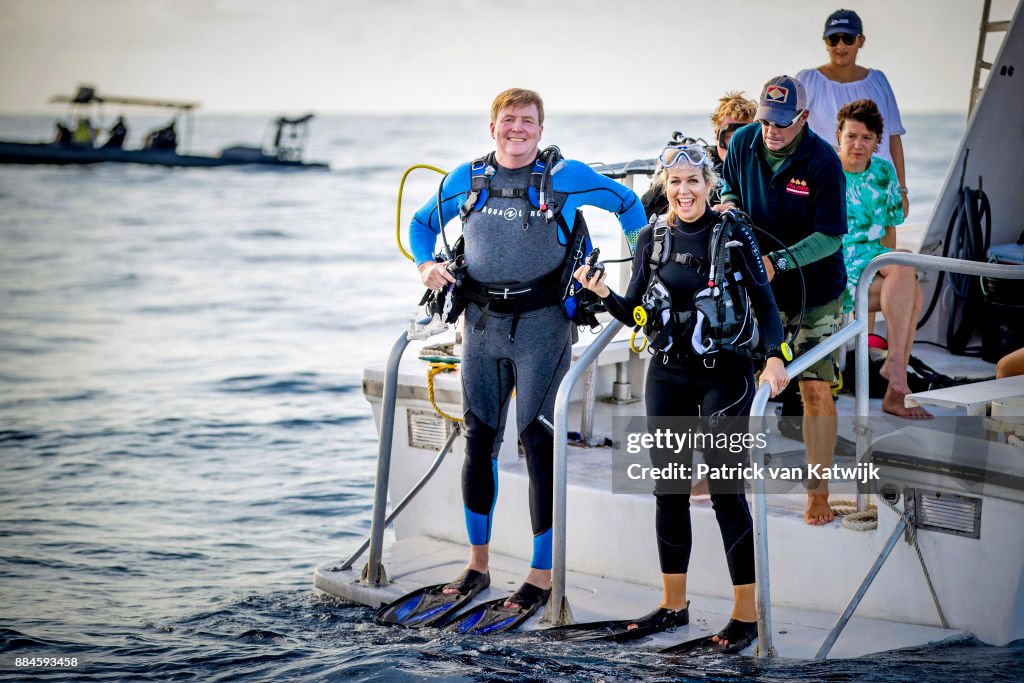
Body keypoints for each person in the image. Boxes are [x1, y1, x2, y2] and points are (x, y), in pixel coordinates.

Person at [406, 88, 648, 625]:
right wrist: (426, 266)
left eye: (528, 121)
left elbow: (629, 204)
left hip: (543, 326)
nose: (518, 129)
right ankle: (477, 566)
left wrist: (646, 268)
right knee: (478, 439)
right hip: (482, 326)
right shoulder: (465, 180)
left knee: (538, 441)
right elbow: (420, 226)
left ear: (541, 130)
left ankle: (540, 576)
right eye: (508, 120)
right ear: (492, 127)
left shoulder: (566, 176)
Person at [574, 144, 788, 652]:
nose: (684, 191)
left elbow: (766, 301)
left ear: (710, 185)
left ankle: (744, 616)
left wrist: (776, 356)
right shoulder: (652, 236)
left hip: (725, 375)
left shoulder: (735, 234)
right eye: (675, 182)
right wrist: (602, 293)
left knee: (725, 493)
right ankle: (674, 606)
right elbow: (636, 314)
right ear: (664, 186)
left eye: (694, 180)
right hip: (667, 374)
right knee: (668, 492)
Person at [716, 75, 848, 526]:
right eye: (765, 120)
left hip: (815, 291)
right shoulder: (744, 141)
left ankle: (819, 492)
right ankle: (719, 477)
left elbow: (831, 236)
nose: (771, 131)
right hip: (756, 286)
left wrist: (781, 261)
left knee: (813, 388)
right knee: (731, 382)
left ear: (805, 118)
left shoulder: (824, 162)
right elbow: (729, 188)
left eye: (782, 124)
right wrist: (730, 206)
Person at [836, 99, 930, 419]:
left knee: (904, 266)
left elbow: (888, 232)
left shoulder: (883, 171)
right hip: (837, 262)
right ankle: (896, 383)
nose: (858, 144)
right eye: (851, 136)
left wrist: (891, 273)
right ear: (839, 136)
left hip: (872, 258)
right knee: (914, 296)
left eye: (867, 137)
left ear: (878, 141)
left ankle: (895, 373)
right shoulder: (826, 171)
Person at [797, 8, 909, 217]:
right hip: (828, 183)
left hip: (877, 185)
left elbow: (893, 136)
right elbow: (793, 133)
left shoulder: (878, 80)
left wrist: (901, 189)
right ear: (825, 42)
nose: (840, 45)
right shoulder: (807, 80)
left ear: (861, 40)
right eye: (833, 39)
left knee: (880, 244)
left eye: (848, 38)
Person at [641, 91, 757, 218]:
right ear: (716, 134)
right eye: (730, 139)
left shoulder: (761, 171)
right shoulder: (698, 165)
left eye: (743, 139)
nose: (735, 148)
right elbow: (646, 209)